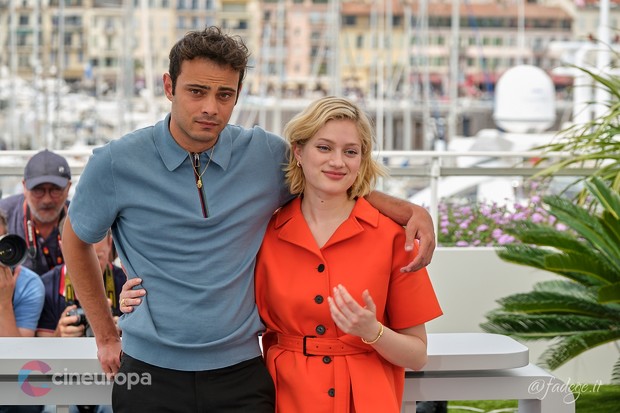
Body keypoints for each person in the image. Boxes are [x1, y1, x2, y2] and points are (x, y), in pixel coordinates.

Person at [61, 26, 436, 412]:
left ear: (237, 95)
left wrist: (408, 211)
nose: (210, 107)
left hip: (241, 372)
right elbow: (74, 239)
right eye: (196, 91)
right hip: (148, 370)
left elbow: (328, 174)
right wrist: (105, 333)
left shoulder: (264, 155)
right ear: (169, 87)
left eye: (225, 94)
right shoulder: (115, 162)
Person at [254, 96, 443, 412]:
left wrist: (373, 332)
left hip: (368, 400)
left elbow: (417, 354)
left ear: (362, 160)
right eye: (324, 148)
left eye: (350, 151)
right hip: (284, 398)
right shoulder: (266, 232)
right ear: (299, 152)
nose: (338, 161)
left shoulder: (395, 237)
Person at [36, 230, 124, 413]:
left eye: (97, 258)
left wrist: (122, 332)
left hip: (112, 377)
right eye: (80, 258)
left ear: (110, 243)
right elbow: (38, 361)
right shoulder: (45, 286)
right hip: (63, 377)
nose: (88, 267)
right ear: (63, 246)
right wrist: (59, 334)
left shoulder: (125, 282)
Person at [0, 209, 45, 413]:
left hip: (8, 380)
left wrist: (4, 303)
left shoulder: (29, 284)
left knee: (24, 401)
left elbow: (18, 360)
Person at [0, 149, 71, 275]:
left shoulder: (83, 220)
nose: (47, 199)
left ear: (68, 188)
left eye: (55, 190)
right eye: (38, 190)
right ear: (24, 187)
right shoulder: (3, 214)